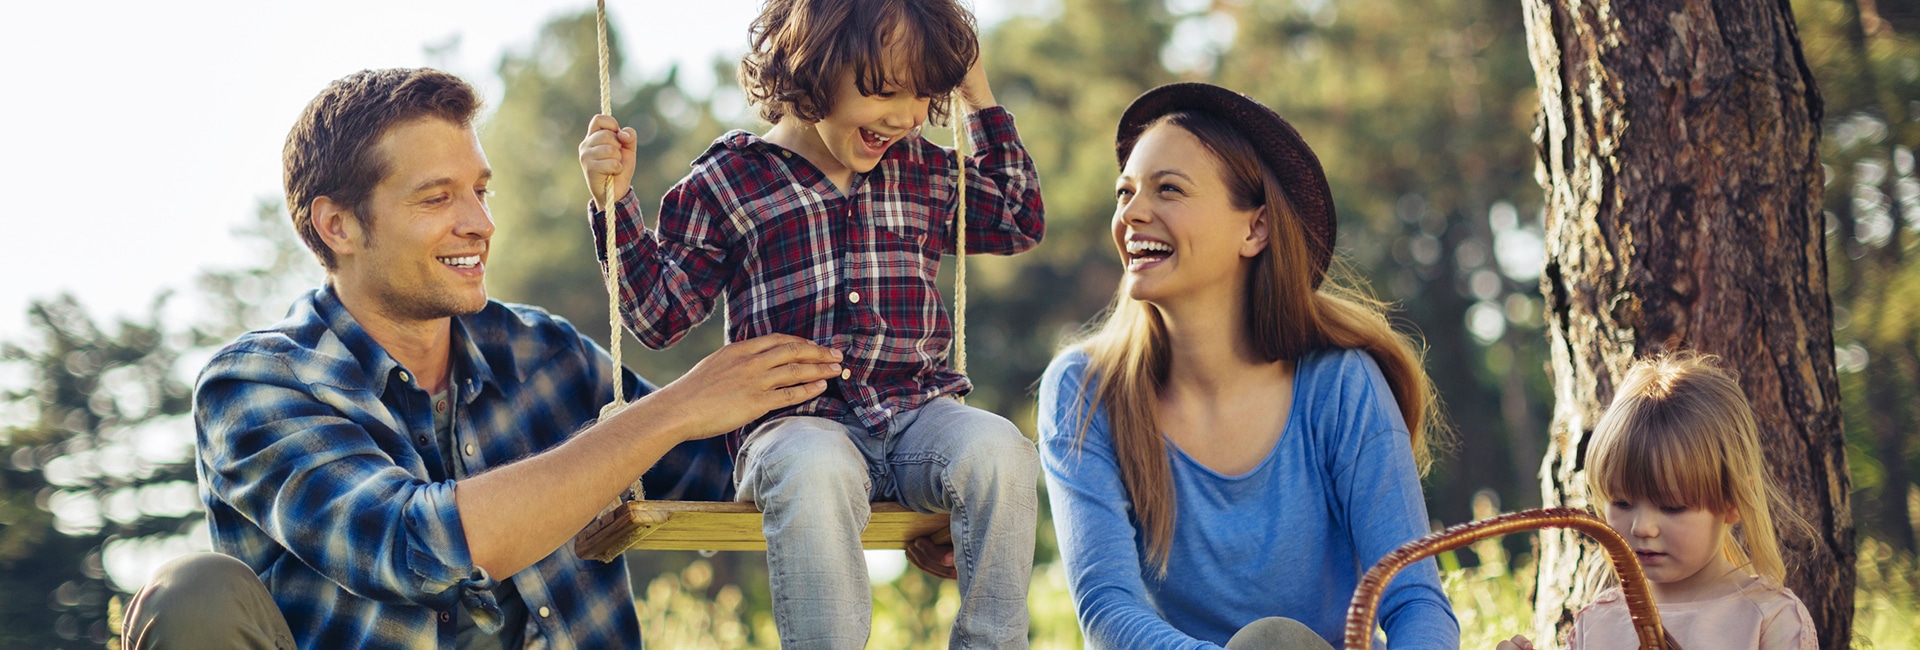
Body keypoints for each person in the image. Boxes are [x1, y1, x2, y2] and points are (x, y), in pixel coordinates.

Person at [121, 67, 844, 649]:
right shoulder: (258, 385)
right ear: (337, 225)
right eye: (438, 198)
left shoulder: (547, 354)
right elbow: (417, 547)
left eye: (480, 190)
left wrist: (923, 491)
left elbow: (732, 475)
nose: (480, 222)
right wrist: (674, 409)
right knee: (194, 595)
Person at [576, 0, 1044, 647]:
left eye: (922, 95)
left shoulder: (924, 171)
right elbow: (657, 314)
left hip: (916, 417)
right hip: (793, 428)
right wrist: (615, 202)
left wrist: (974, 88)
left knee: (1000, 451)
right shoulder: (729, 181)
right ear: (814, 68)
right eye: (886, 91)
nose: (906, 116)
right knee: (816, 464)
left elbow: (1018, 216)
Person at [1037, 82, 1461, 650]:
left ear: (1255, 228)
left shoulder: (1340, 385)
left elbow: (1414, 601)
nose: (1132, 214)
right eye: (1125, 192)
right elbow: (1106, 608)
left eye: (1168, 190)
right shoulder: (1084, 391)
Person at [1496, 353, 1817, 650]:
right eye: (1621, 502)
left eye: (1672, 506)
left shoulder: (1768, 620)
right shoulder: (1597, 624)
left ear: (1732, 501)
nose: (1642, 527)